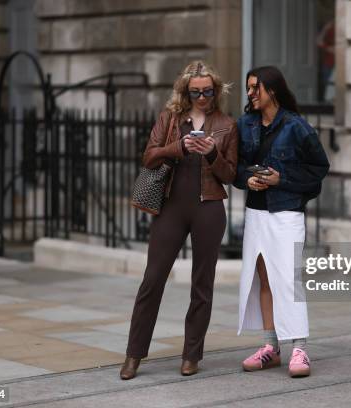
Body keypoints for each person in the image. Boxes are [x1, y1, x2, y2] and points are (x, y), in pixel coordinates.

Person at [121, 61, 238, 379]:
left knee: (202, 285)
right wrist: (178, 147)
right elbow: (148, 156)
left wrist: (212, 152)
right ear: (186, 92)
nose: (202, 97)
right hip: (172, 207)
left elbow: (230, 174)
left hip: (209, 208)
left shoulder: (227, 124)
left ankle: (192, 355)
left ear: (215, 91)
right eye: (195, 92)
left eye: (207, 92)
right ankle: (134, 355)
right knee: (153, 278)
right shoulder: (170, 118)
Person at [233, 66, 330, 378]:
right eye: (248, 88)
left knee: (288, 279)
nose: (249, 94)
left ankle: (299, 348)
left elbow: (319, 168)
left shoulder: (296, 126)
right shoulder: (245, 124)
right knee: (262, 279)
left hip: (286, 212)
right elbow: (234, 168)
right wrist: (248, 180)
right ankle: (271, 347)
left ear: (271, 90)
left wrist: (281, 178)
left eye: (254, 88)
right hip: (256, 212)